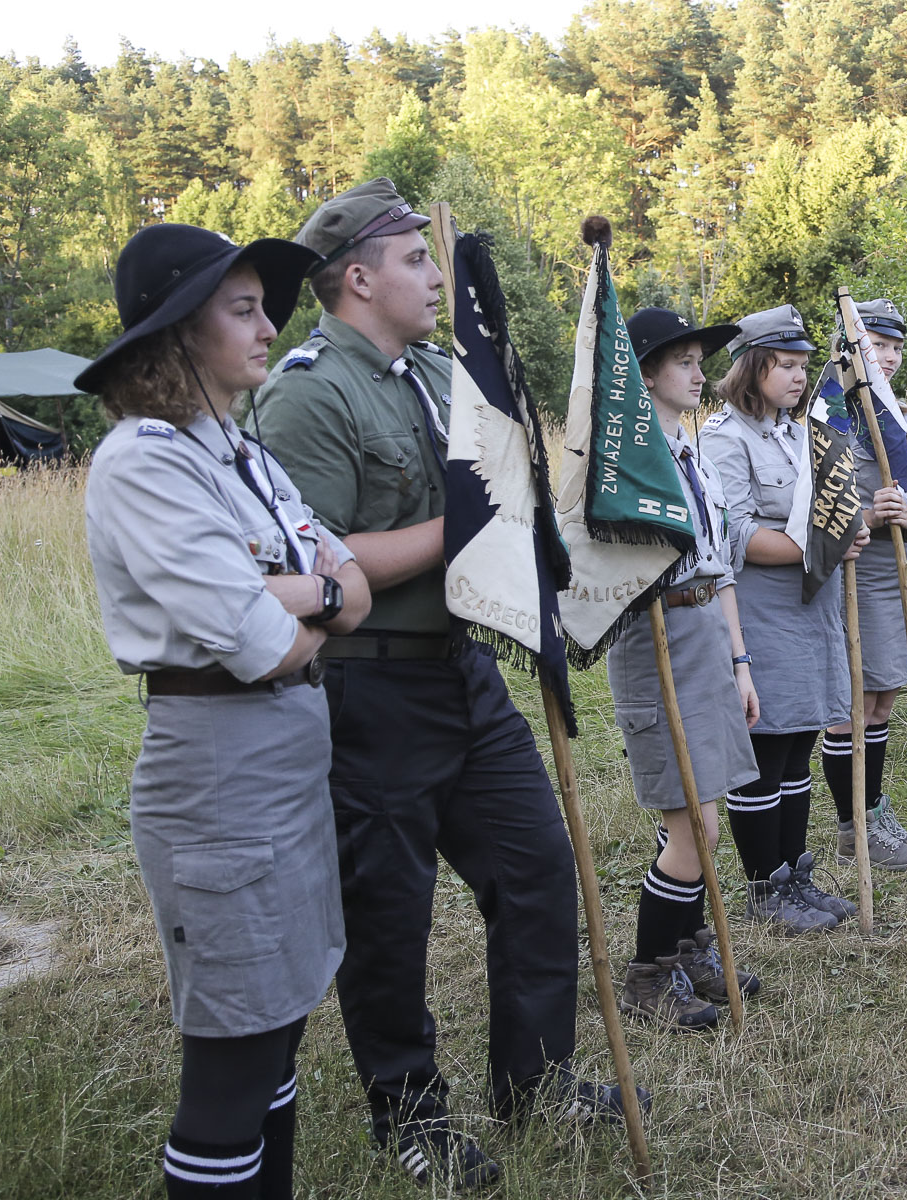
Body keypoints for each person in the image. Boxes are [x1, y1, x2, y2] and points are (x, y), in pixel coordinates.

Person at [254, 179, 635, 1188]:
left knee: (537, 869)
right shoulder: (308, 394)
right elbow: (322, 565)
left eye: (433, 257)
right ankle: (410, 1116)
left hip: (464, 672)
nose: (433, 275)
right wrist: (472, 525)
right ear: (358, 277)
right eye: (414, 258)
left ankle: (535, 1082)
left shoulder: (438, 371)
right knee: (391, 917)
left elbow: (498, 480)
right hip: (371, 691)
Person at [79, 222, 374, 1198]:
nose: (269, 327)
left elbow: (354, 588)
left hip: (284, 757)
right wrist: (315, 594)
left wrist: (302, 593)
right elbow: (264, 644)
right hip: (218, 769)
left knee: (277, 1030)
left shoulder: (241, 452)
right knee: (233, 1058)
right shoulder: (143, 462)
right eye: (243, 310)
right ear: (178, 334)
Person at [609, 307, 763, 1030]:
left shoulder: (691, 450)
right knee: (693, 824)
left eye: (702, 361)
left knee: (705, 812)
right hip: (657, 635)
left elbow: (721, 566)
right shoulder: (625, 465)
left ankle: (685, 947)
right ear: (645, 375)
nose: (702, 374)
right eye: (684, 362)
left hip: (705, 632)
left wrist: (740, 661)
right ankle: (647, 975)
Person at [703, 304, 864, 932]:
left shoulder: (796, 432)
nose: (799, 377)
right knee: (766, 750)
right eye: (786, 365)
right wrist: (821, 547)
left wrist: (847, 532)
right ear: (752, 366)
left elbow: (823, 511)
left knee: (799, 745)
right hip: (763, 612)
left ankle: (796, 873)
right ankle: (764, 887)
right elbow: (737, 535)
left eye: (803, 365)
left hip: (811, 609)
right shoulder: (726, 437)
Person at [819, 298, 907, 871]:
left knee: (885, 694)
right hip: (857, 571)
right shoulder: (828, 420)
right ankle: (855, 826)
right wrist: (869, 514)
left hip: (902, 568)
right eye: (875, 346)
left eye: (894, 348)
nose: (886, 357)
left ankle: (874, 812)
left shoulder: (901, 420)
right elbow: (815, 512)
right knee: (854, 702)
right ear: (849, 353)